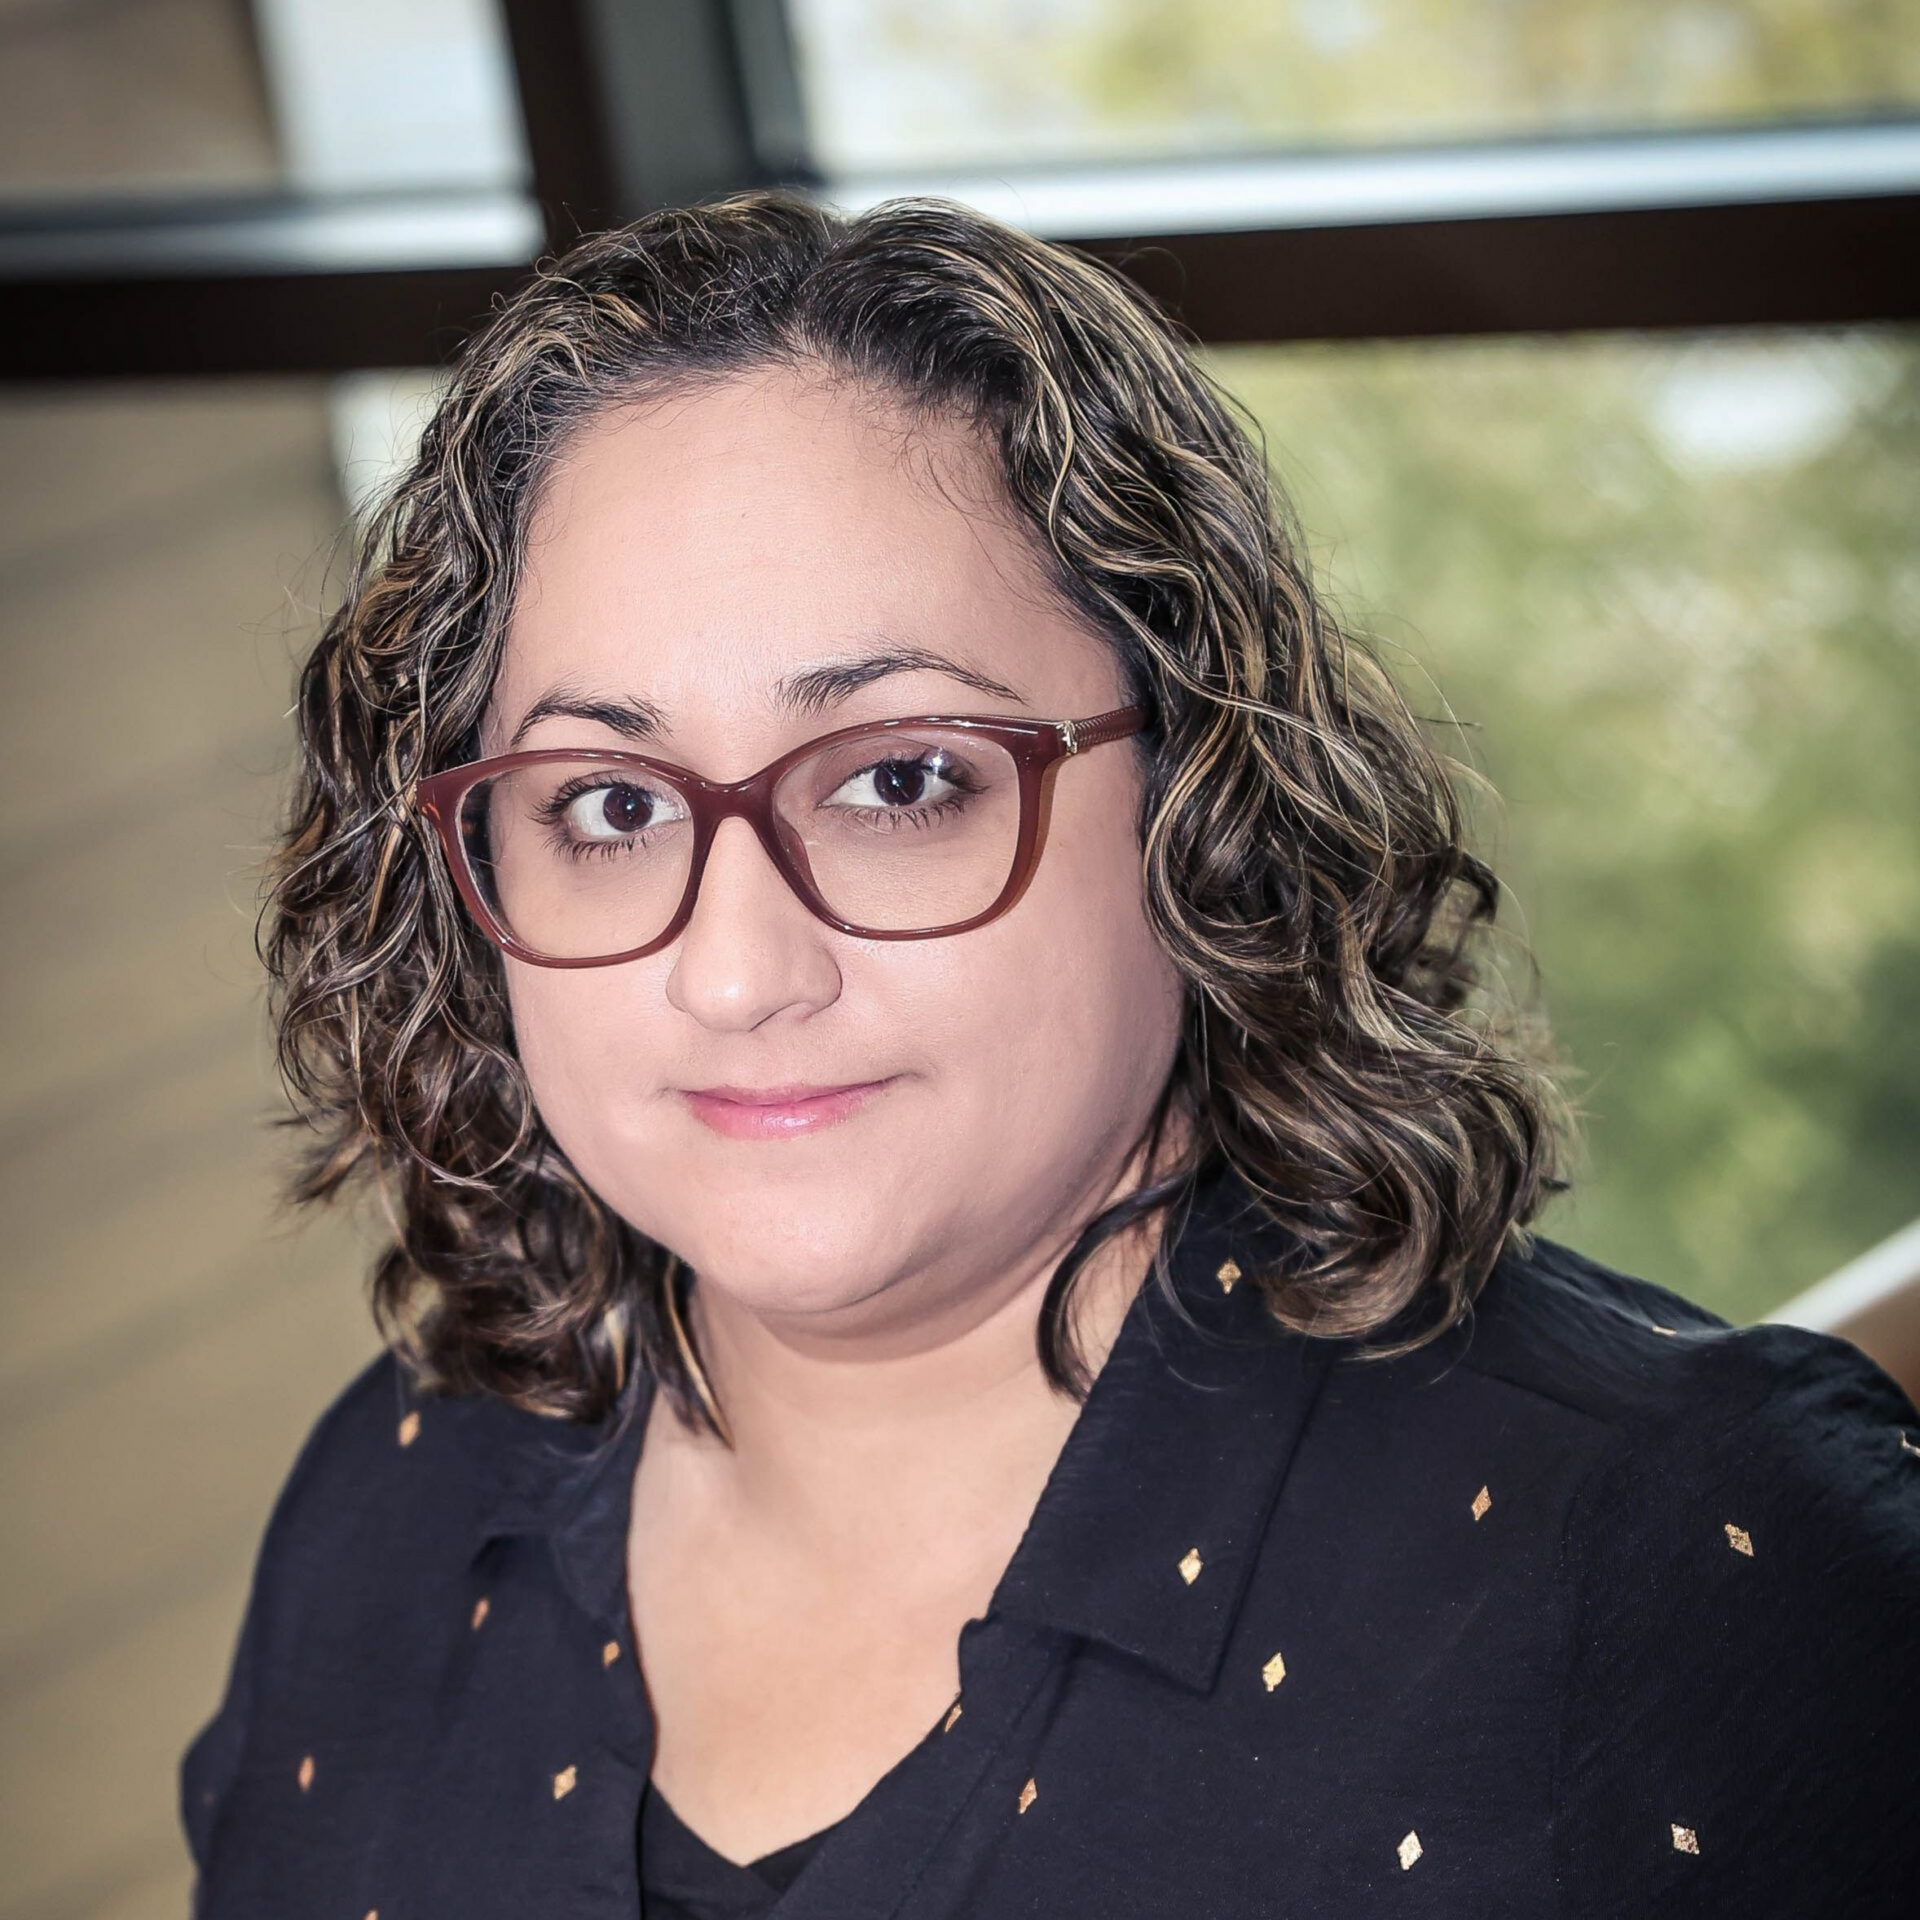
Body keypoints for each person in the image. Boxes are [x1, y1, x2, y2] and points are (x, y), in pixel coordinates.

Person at [180, 188, 1920, 1920]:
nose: (734, 971)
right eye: (610, 805)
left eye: (901, 780)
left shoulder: (1677, 1555)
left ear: (1198, 799)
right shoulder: (395, 1507)